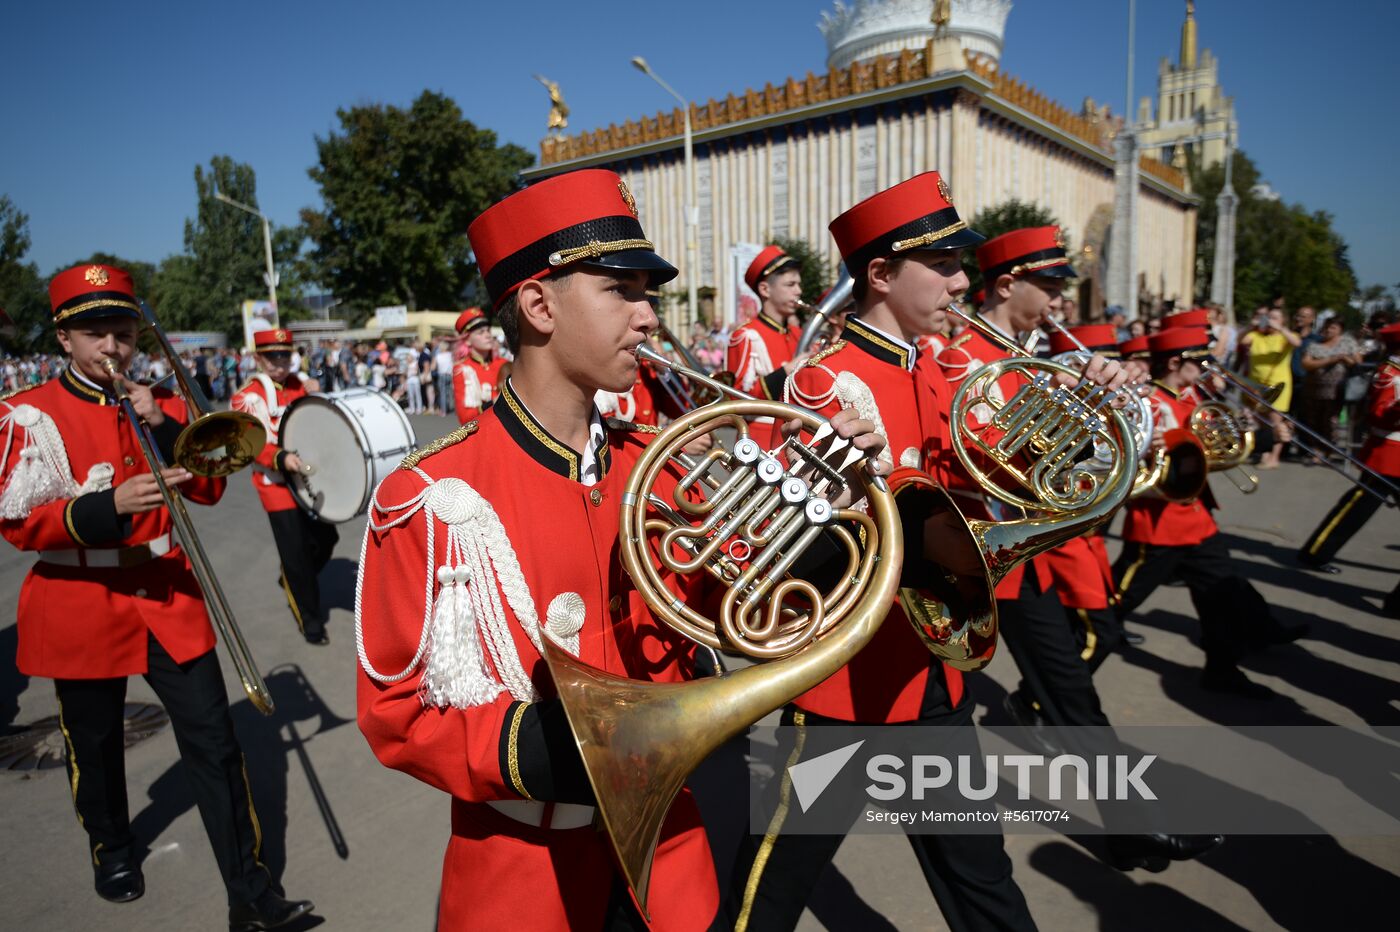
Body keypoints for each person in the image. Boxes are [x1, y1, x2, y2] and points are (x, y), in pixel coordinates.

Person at [354, 169, 888, 930]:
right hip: (522, 871)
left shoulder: (660, 463)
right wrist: (559, 746)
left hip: (671, 857)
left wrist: (823, 520)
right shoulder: (432, 497)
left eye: (649, 294)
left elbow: (730, 601)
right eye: (622, 291)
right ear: (538, 305)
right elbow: (398, 714)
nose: (648, 318)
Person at [731, 171, 1039, 932]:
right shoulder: (819, 384)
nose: (962, 281)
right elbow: (780, 543)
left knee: (983, 878)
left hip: (934, 668)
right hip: (851, 684)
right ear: (879, 274)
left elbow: (994, 485)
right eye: (942, 266)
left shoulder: (936, 368)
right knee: (770, 891)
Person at [0, 265, 313, 929]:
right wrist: (104, 505)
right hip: (79, 596)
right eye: (95, 334)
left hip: (168, 593)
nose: (112, 347)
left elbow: (208, 487)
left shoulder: (159, 403)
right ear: (64, 339)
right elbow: (19, 522)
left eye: (122, 332)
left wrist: (166, 425)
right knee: (93, 743)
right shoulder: (29, 414)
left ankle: (249, 893)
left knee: (216, 744)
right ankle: (112, 845)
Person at [1114, 326, 1306, 698]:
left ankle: (1223, 668)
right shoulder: (1150, 401)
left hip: (1196, 519)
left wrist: (1258, 434)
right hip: (1160, 522)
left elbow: (1212, 445)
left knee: (1220, 594)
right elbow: (1155, 465)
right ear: (1174, 362)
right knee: (1116, 601)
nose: (1205, 368)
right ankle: (1073, 645)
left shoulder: (1190, 396)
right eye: (1197, 361)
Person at [231, 328, 338, 645]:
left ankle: (291, 577)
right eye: (272, 356)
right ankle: (311, 620)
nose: (280, 362)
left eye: (285, 355)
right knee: (297, 557)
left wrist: (316, 394)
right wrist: (280, 458)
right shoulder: (247, 396)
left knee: (326, 538)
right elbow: (250, 444)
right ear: (258, 359)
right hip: (275, 483)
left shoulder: (299, 384)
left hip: (307, 478)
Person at [1296, 321, 1400, 583]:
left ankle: (1316, 552)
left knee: (1355, 508)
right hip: (1388, 453)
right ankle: (1316, 552)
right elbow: (1377, 415)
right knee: (1355, 509)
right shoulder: (1390, 372)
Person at [727, 245, 803, 398]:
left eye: (799, 284)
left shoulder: (798, 333)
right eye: (790, 285)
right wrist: (786, 372)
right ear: (765, 290)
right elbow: (736, 397)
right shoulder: (746, 336)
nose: (799, 291)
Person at [1239, 306, 1300, 468]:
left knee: (1275, 422)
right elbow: (1240, 340)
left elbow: (1297, 342)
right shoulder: (1256, 335)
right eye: (1269, 317)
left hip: (1278, 385)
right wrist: (1251, 325)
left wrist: (1280, 328)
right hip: (1256, 385)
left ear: (1282, 321)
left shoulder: (1285, 337)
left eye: (1275, 318)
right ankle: (1265, 454)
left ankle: (1274, 457)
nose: (1270, 321)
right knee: (1261, 421)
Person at [1298, 316, 1362, 454]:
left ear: (1340, 330)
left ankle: (1328, 449)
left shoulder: (1347, 343)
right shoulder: (1315, 345)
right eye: (1327, 327)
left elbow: (1357, 362)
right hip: (1313, 389)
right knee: (1313, 420)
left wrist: (1345, 358)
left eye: (1333, 327)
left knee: (1330, 421)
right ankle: (1315, 449)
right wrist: (1331, 359)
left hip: (1335, 391)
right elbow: (1306, 363)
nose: (1328, 330)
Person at [452, 308, 509, 424]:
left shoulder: (504, 363)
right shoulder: (462, 369)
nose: (488, 335)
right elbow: (465, 419)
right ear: (467, 340)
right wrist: (494, 402)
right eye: (481, 332)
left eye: (488, 330)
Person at [433, 338, 455, 416]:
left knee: (443, 393)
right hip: (450, 374)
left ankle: (444, 411)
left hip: (442, 375)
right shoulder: (450, 354)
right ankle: (450, 408)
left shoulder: (438, 356)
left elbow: (433, 367)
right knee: (450, 393)